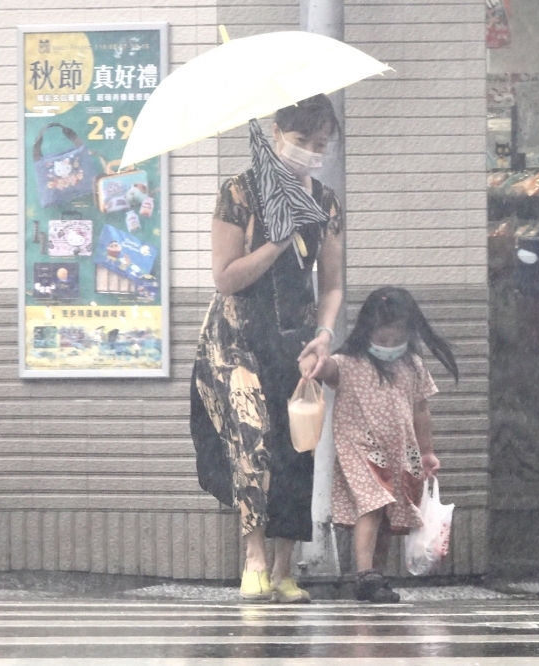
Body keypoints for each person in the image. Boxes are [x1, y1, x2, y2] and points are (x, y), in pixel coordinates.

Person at [190, 94, 344, 603]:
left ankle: (284, 568)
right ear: (276, 133)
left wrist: (323, 335)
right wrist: (276, 240)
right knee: (252, 442)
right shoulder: (239, 192)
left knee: (297, 450)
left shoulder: (324, 202)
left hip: (295, 341)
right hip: (235, 341)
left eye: (320, 144)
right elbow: (226, 278)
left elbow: (334, 285)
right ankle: (254, 558)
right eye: (301, 141)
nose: (310, 152)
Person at [306, 287, 459, 603]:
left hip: (401, 449)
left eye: (395, 340)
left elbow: (421, 410)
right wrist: (316, 361)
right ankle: (365, 575)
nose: (389, 346)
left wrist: (427, 452)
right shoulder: (348, 362)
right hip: (359, 445)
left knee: (391, 514)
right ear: (366, 332)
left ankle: (377, 576)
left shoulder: (413, 364)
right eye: (382, 339)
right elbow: (329, 368)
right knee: (373, 503)